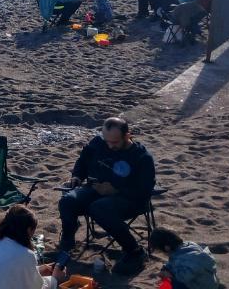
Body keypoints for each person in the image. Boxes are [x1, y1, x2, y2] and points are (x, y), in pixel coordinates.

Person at [56, 117, 155, 275]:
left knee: (99, 208)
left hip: (130, 199)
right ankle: (68, 240)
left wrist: (116, 190)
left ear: (127, 135)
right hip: (96, 190)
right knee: (68, 201)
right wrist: (77, 176)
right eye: (106, 140)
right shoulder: (98, 143)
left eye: (114, 142)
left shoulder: (141, 157)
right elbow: (82, 161)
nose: (109, 145)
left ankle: (135, 251)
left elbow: (144, 191)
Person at [0, 204, 68, 289]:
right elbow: (36, 287)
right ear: (28, 230)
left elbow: (4, 272)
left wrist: (37, 270)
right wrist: (55, 279)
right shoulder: (25, 255)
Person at [148, 228, 220, 289]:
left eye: (160, 251)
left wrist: (169, 274)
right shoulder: (186, 246)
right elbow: (173, 262)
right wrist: (165, 269)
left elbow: (183, 278)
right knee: (167, 272)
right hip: (206, 279)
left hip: (202, 286)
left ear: (167, 248)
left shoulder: (186, 259)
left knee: (175, 284)